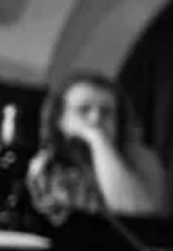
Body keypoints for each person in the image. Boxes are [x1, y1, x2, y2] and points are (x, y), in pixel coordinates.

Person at [26, 71, 165, 225]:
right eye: (83, 110)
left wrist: (97, 140)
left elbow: (137, 218)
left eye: (107, 112)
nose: (96, 119)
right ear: (60, 119)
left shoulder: (142, 159)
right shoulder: (44, 163)